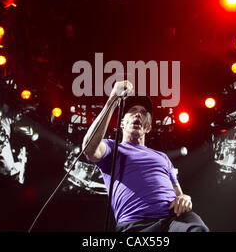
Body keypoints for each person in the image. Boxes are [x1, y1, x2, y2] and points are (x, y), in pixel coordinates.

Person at [82, 80, 209, 232]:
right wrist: (113, 99)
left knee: (197, 229)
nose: (138, 114)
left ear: (148, 127)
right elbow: (89, 148)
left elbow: (179, 195)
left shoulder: (162, 157)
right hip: (136, 224)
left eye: (143, 113)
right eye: (133, 110)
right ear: (122, 123)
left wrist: (185, 198)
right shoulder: (111, 147)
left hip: (174, 220)